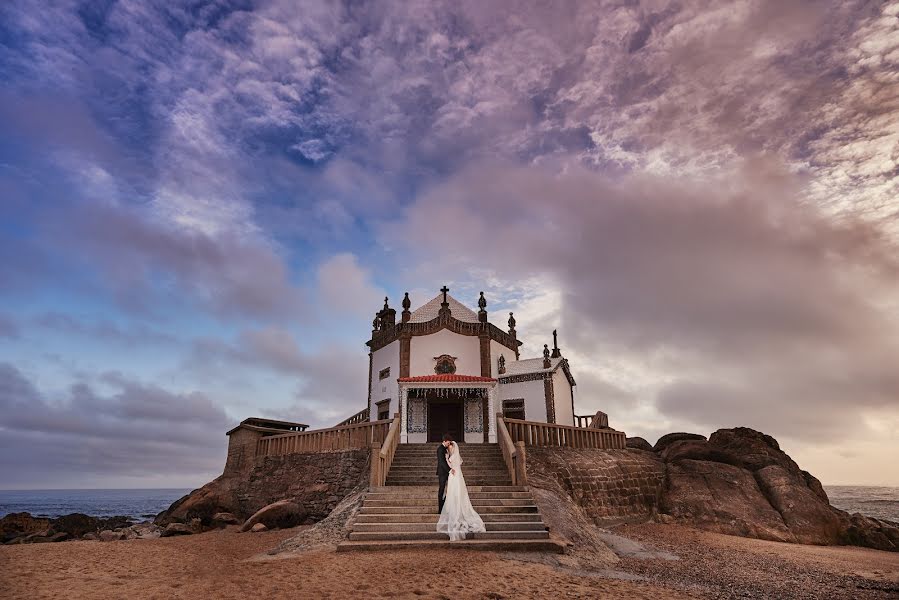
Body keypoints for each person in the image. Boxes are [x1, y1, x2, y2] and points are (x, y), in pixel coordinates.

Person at [437, 437, 486, 541]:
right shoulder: (442, 450)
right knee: (448, 492)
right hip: (452, 474)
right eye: (448, 445)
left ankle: (452, 508)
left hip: (453, 474)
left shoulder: (453, 456)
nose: (448, 448)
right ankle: (444, 507)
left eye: (450, 446)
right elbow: (444, 463)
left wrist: (448, 463)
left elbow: (450, 464)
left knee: (454, 492)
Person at [436, 434, 452, 514]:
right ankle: (440, 508)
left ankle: (446, 505)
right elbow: (442, 462)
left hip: (447, 472)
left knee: (450, 489)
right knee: (441, 489)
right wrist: (449, 470)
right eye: (448, 443)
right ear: (444, 441)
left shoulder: (446, 449)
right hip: (442, 473)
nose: (448, 445)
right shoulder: (440, 449)